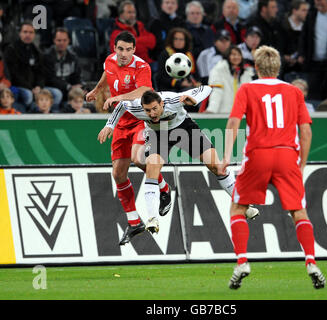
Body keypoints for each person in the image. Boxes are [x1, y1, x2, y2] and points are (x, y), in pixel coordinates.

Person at [218, 45, 325, 290]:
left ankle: (242, 261)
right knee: (299, 211)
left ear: (256, 67)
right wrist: (302, 163)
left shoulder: (247, 88)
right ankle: (311, 262)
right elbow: (306, 130)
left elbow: (233, 121)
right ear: (279, 67)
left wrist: (225, 156)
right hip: (287, 155)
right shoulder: (294, 92)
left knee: (238, 207)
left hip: (258, 154)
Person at [98, 86, 259, 233]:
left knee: (218, 167)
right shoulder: (136, 106)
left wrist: (194, 99)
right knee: (152, 168)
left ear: (162, 103)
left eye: (155, 108)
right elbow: (121, 106)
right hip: (158, 133)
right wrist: (110, 125)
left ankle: (243, 205)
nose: (152, 113)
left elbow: (207, 89)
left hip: (184, 128)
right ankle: (152, 218)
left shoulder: (173, 99)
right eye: (148, 111)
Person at [85, 31, 171, 245]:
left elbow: (144, 90)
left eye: (128, 50)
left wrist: (118, 97)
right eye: (120, 49)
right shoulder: (109, 61)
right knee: (118, 173)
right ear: (115, 48)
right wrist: (98, 89)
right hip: (121, 123)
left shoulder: (142, 67)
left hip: (140, 120)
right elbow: (107, 73)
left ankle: (164, 188)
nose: (124, 54)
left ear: (134, 50)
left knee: (138, 159)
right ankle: (134, 222)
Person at [3, 21, 63, 111]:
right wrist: (31, 88)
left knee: (57, 94)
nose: (28, 35)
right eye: (25, 32)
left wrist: (39, 86)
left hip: (35, 88)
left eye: (31, 32)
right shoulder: (11, 50)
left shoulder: (36, 51)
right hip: (19, 86)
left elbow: (41, 73)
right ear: (20, 33)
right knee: (28, 95)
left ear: (34, 35)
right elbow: (13, 74)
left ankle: (51, 118)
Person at [206, 45, 255, 113]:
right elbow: (217, 91)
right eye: (233, 54)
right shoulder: (219, 70)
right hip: (223, 113)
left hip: (241, 113)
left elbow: (249, 95)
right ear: (227, 56)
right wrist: (212, 109)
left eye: (239, 55)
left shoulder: (246, 73)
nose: (236, 57)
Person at [155, 27, 200, 95]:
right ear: (171, 40)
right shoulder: (165, 54)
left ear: (186, 41)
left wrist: (196, 82)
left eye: (181, 39)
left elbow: (194, 74)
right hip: (168, 89)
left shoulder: (188, 55)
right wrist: (180, 83)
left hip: (187, 87)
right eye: (176, 39)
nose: (178, 41)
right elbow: (161, 77)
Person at [43, 27, 83, 102]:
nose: (62, 43)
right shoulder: (47, 56)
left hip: (68, 87)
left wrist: (79, 86)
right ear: (54, 41)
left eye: (64, 40)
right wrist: (69, 87)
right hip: (51, 88)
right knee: (58, 94)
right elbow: (50, 79)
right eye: (59, 40)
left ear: (68, 41)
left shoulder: (73, 57)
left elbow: (76, 75)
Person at [280, 0, 310, 76]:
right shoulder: (281, 25)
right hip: (283, 66)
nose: (306, 13)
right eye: (303, 10)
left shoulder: (308, 28)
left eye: (307, 10)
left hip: (301, 67)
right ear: (294, 11)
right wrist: (284, 57)